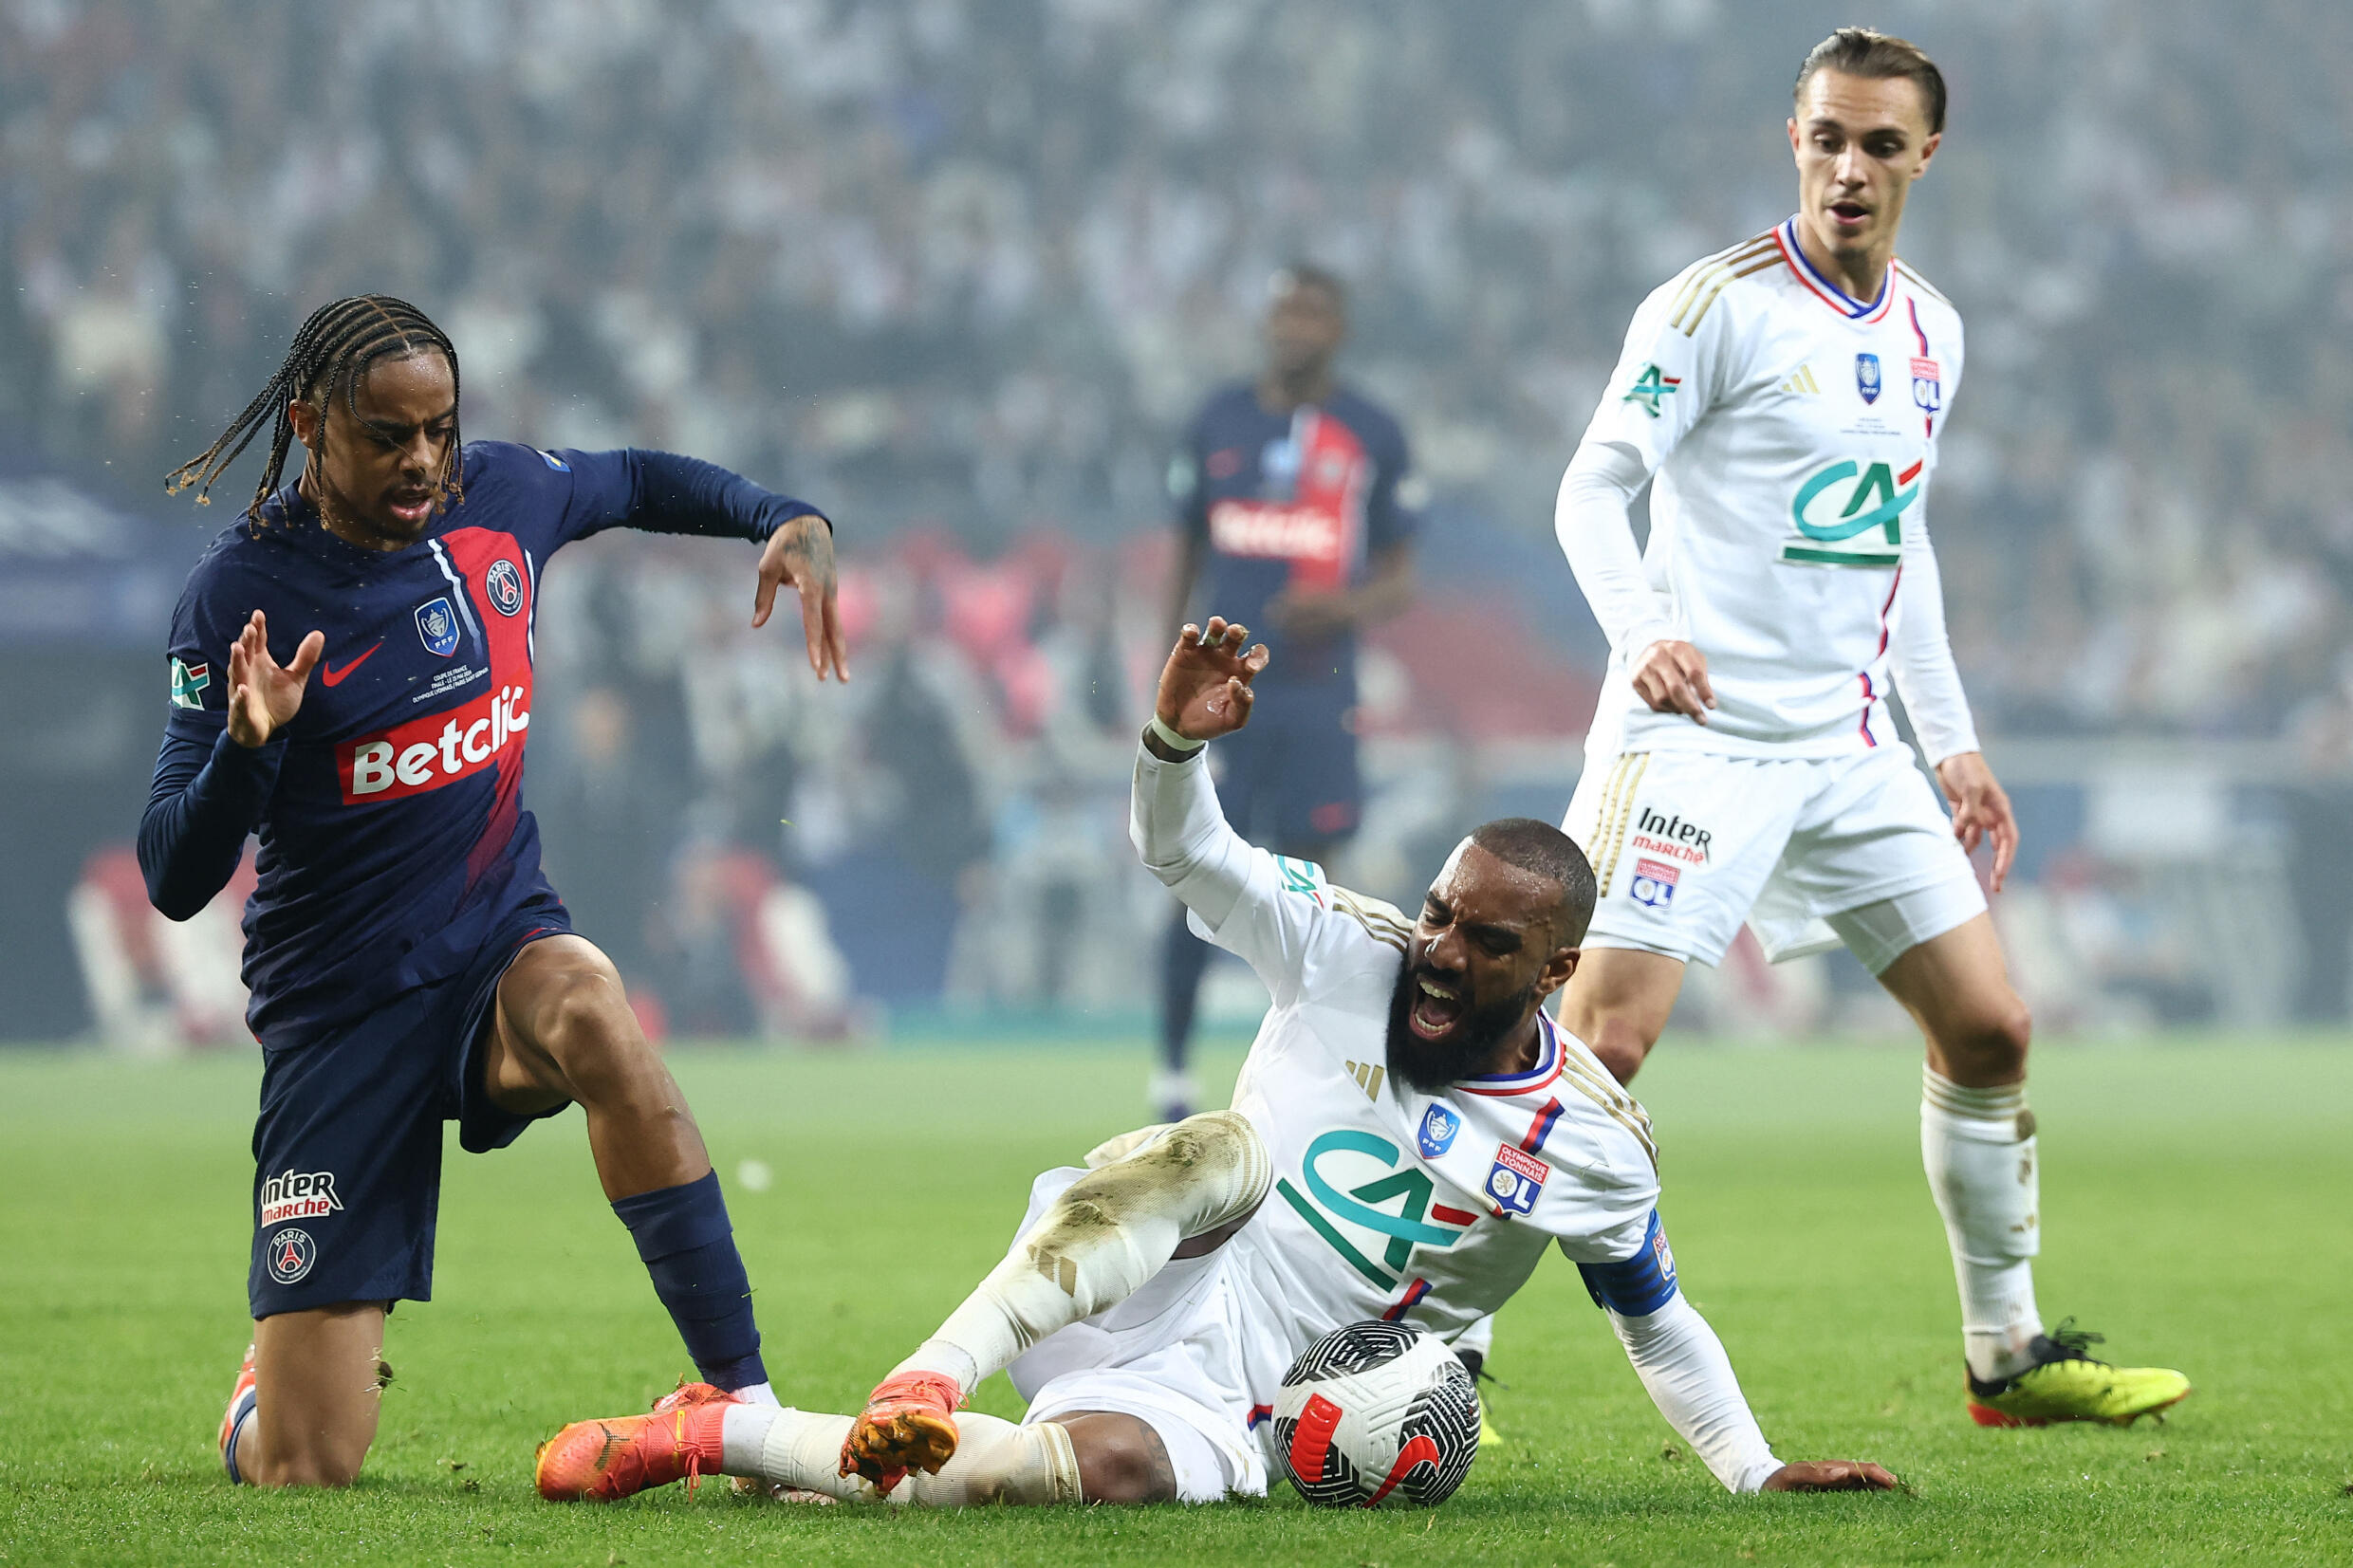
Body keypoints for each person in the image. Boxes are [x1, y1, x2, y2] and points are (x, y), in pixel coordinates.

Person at [534, 618, 1898, 1507]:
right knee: (1227, 1148)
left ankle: (725, 1437)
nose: (1435, 947)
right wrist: (1175, 746)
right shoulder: (1347, 950)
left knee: (1086, 1480)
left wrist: (1756, 1469)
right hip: (1127, 1268)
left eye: (1481, 942)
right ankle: (930, 1373)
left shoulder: (1592, 1144)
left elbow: (1653, 1313)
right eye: (1436, 910)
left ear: (1551, 975)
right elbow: (1194, 855)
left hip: (1262, 1399)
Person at [1549, 29, 2187, 1427]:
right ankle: (1423, 1348)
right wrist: (1641, 630)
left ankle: (2007, 1355)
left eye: (1880, 146)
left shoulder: (1932, 331)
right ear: (1794, 137)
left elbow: (1899, 542)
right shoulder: (1710, 306)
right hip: (1697, 738)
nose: (1850, 168)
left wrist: (1947, 736)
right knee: (1591, 1053)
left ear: (1925, 159)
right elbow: (1590, 494)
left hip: (1848, 750)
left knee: (1994, 1026)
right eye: (1828, 137)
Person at [139, 294, 850, 1487]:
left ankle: (742, 1406)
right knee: (307, 1468)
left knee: (596, 1013)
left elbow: (629, 478)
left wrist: (779, 515)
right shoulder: (238, 598)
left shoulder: (500, 498)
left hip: (492, 951)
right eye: (386, 435)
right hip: (338, 1012)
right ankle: (264, 1392)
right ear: (312, 424)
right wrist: (247, 748)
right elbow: (171, 874)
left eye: (440, 429)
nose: (422, 460)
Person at [1156, 265, 1417, 1122]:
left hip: (1316, 691)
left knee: (1314, 885)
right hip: (1222, 693)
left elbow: (1399, 576)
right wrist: (1170, 663)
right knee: (1195, 868)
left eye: (1313, 311)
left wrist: (1337, 606)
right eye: (1283, 310)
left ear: (1338, 327)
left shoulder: (1372, 432)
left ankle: (1326, 1069)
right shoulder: (1216, 421)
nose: (1295, 325)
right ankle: (1173, 1076)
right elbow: (1187, 549)